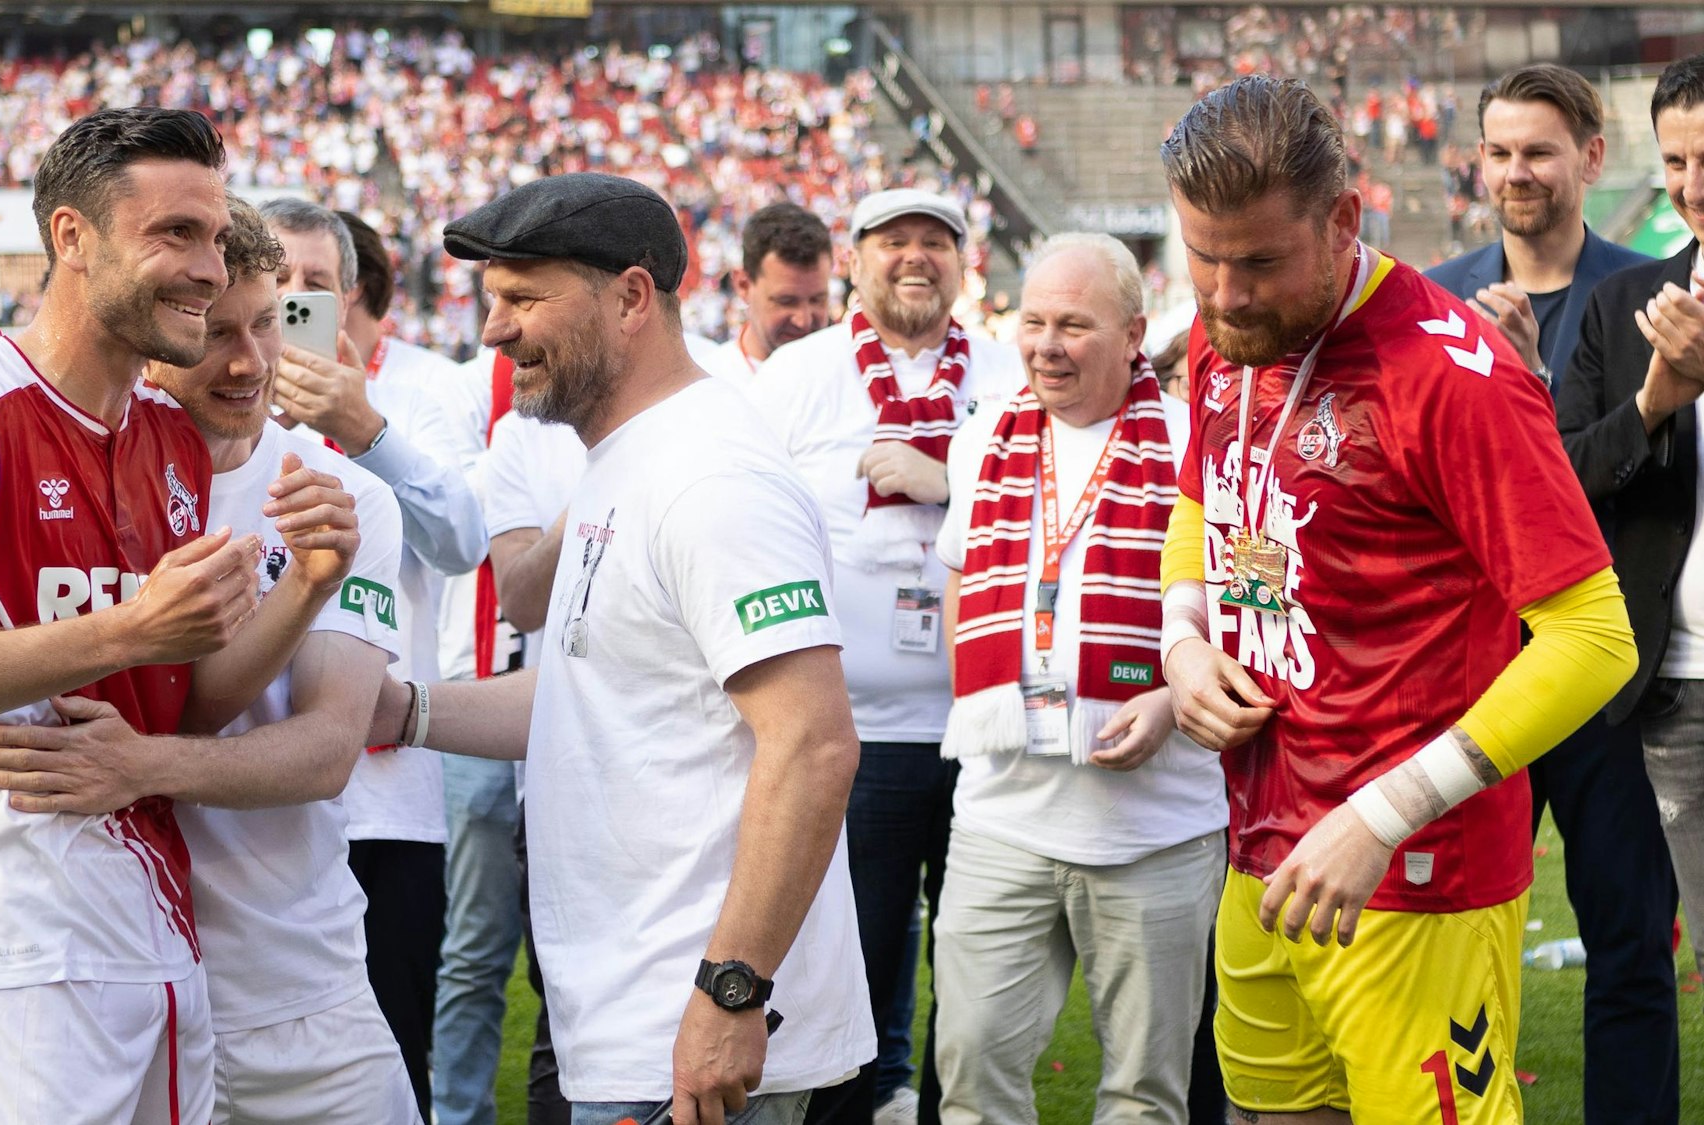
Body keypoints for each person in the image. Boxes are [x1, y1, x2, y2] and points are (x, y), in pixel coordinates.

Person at [0, 107, 351, 1123]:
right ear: (71, 237)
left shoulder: (169, 437)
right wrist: (126, 630)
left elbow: (181, 705)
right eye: (174, 234)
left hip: (154, 932)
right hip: (0, 938)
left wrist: (305, 586)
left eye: (210, 234)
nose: (207, 266)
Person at [1157, 76, 1635, 1123]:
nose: (1226, 294)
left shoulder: (1451, 377)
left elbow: (1593, 640)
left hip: (1416, 875)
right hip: (1259, 848)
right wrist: (1182, 640)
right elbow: (1203, 498)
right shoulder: (1220, 335)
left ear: (1341, 222)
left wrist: (1381, 812)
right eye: (1202, 257)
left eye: (1256, 263)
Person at [370, 172, 875, 1125]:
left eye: (524, 299)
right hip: (636, 1032)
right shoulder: (622, 455)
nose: (493, 330)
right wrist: (407, 709)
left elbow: (812, 745)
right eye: (492, 301)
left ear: (632, 297)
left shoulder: (710, 473)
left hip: (705, 1050)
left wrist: (731, 993)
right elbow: (594, 694)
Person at [0, 195, 417, 1125]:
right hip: (109, 984)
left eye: (267, 323)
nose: (250, 361)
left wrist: (138, 767)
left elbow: (328, 750)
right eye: (215, 334)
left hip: (301, 990)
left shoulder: (342, 499)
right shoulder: (64, 471)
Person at [1424, 63, 1675, 1125]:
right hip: (1474, 675)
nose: (1515, 171)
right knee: (1444, 939)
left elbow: (1653, 484)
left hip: (1606, 677)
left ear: (1589, 158)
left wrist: (1533, 398)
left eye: (1536, 151)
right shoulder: (1429, 300)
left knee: (1627, 940)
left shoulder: (1654, 297)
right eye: (1498, 152)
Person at [932, 233, 1228, 1125]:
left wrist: (1177, 700)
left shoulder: (1193, 444)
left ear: (1136, 333)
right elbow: (959, 578)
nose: (1046, 345)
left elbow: (1253, 612)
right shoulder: (982, 435)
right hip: (1000, 820)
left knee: (1145, 1095)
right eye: (1033, 322)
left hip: (1156, 829)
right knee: (972, 1073)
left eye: (1073, 325)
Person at [749, 188, 1024, 1124]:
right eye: (894, 241)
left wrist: (948, 481)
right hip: (848, 732)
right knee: (848, 966)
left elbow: (1050, 509)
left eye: (935, 243)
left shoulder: (1011, 368)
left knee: (979, 969)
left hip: (984, 724)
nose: (916, 258)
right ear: (856, 262)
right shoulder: (797, 376)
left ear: (963, 262)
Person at [261, 197, 488, 1119]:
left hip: (387, 799)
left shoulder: (424, 391)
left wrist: (368, 430)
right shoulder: (192, 389)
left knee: (392, 1056)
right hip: (246, 785)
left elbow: (465, 541)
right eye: (274, 278)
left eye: (315, 282)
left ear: (352, 295)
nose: (293, 298)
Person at [1554, 51, 1704, 1026]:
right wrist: (1654, 401)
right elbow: (1561, 475)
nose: (1692, 187)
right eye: (1675, 163)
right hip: (1679, 693)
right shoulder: (1620, 307)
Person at [698, 203, 836, 390]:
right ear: (743, 285)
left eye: (817, 300)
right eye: (786, 301)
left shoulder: (853, 376)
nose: (803, 320)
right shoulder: (708, 387)